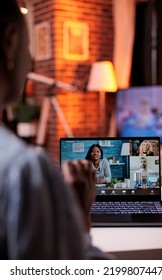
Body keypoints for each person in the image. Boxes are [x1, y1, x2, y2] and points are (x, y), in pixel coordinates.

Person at [0, 0, 112, 260]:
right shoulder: (23, 170)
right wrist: (79, 215)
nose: (30, 62)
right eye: (30, 47)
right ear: (10, 41)